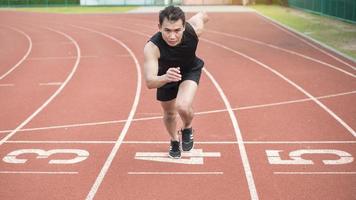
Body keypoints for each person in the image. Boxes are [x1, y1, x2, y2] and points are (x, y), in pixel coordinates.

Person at [143, 5, 209, 159]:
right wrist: (166, 77)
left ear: (184, 27)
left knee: (183, 105)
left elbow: (202, 16)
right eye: (167, 30)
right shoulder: (152, 48)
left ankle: (187, 127)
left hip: (189, 70)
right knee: (170, 113)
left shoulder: (194, 30)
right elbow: (149, 82)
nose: (172, 36)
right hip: (164, 77)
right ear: (159, 27)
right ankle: (174, 140)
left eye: (177, 30)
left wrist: (204, 15)